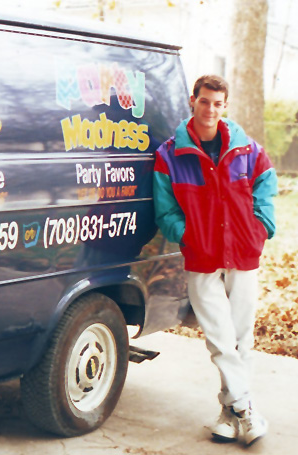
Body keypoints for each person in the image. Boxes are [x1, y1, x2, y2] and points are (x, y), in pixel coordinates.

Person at [153, 75, 277, 446]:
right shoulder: (169, 154)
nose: (210, 110)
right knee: (220, 340)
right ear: (193, 101)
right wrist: (187, 234)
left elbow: (267, 186)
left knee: (241, 339)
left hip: (242, 253)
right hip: (202, 256)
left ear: (225, 106)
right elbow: (165, 211)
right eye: (204, 102)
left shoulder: (247, 150)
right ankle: (248, 410)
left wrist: (261, 228)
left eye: (218, 104)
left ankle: (229, 412)